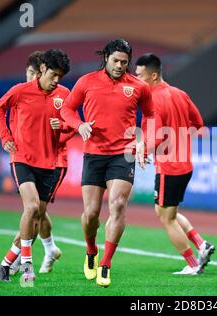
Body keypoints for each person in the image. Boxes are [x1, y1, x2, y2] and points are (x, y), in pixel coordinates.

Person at [61, 39, 155, 287]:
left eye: (125, 62)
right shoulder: (86, 82)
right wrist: (79, 124)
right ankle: (91, 250)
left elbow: (150, 115)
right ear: (106, 58)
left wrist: (143, 140)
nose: (120, 66)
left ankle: (106, 263)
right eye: (116, 61)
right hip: (94, 153)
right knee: (91, 213)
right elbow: (67, 110)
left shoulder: (138, 86)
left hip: (123, 153)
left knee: (118, 204)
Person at [0, 49, 71, 286]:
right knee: (31, 207)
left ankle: (6, 263)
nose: (56, 80)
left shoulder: (64, 95)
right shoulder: (20, 90)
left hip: (49, 162)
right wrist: (5, 135)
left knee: (37, 215)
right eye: (53, 74)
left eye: (60, 76)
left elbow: (72, 126)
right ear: (42, 70)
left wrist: (65, 126)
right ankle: (27, 266)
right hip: (22, 158)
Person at [135, 53, 215, 275]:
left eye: (139, 76)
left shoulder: (153, 100)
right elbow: (198, 124)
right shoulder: (180, 94)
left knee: (166, 218)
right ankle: (201, 245)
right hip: (185, 165)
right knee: (165, 211)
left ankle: (192, 264)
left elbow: (158, 136)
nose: (136, 80)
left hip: (169, 167)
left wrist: (143, 149)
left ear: (153, 75)